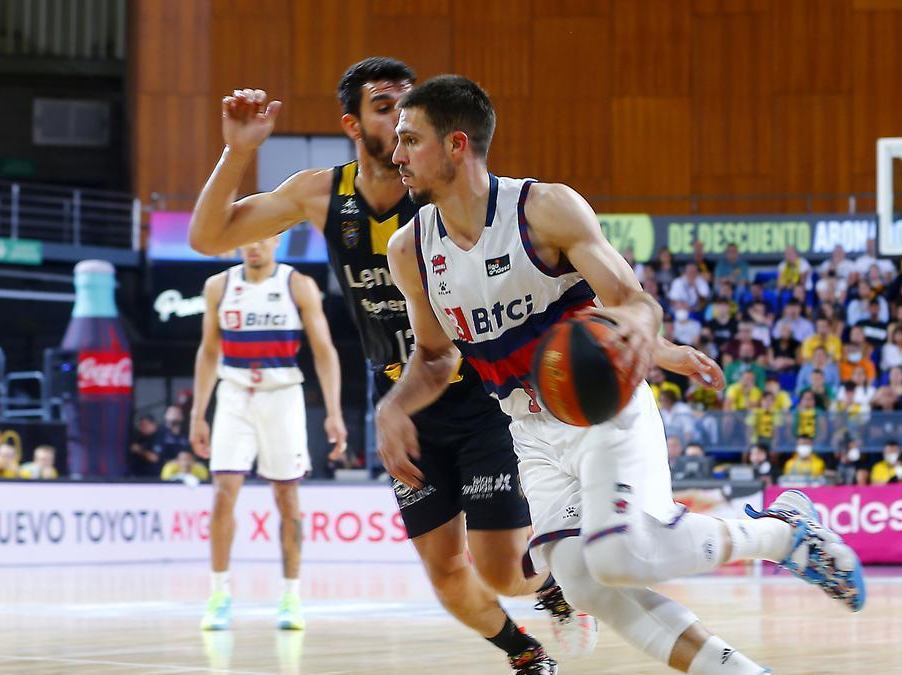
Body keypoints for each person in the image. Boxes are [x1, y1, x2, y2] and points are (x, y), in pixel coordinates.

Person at [379, 74, 863, 673]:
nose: (394, 154)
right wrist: (394, 406)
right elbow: (434, 357)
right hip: (528, 432)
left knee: (617, 555)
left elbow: (632, 300)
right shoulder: (410, 250)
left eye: (408, 139)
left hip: (602, 409)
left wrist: (646, 335)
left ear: (456, 144)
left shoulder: (544, 209)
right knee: (582, 582)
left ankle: (784, 532)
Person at [186, 59, 597, 667]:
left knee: (506, 572)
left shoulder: (442, 192)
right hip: (407, 410)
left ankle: (556, 589)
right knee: (445, 574)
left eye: (409, 108)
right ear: (352, 124)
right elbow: (208, 237)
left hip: (480, 395)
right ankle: (525, 654)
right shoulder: (321, 192)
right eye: (385, 108)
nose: (402, 119)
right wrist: (236, 151)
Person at [186, 233, 344, 633]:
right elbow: (208, 352)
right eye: (245, 239)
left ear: (276, 240)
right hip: (235, 393)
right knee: (223, 493)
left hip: (282, 394)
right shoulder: (219, 286)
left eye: (261, 238)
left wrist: (333, 411)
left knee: (287, 496)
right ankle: (219, 594)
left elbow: (324, 350)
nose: (252, 245)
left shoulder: (297, 285)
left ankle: (291, 595)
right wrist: (198, 413)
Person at [128, 413, 162, 478]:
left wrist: (139, 450)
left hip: (154, 478)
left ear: (152, 424)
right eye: (141, 425)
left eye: (144, 425)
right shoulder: (141, 437)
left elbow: (155, 458)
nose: (142, 428)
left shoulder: (160, 436)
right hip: (138, 476)